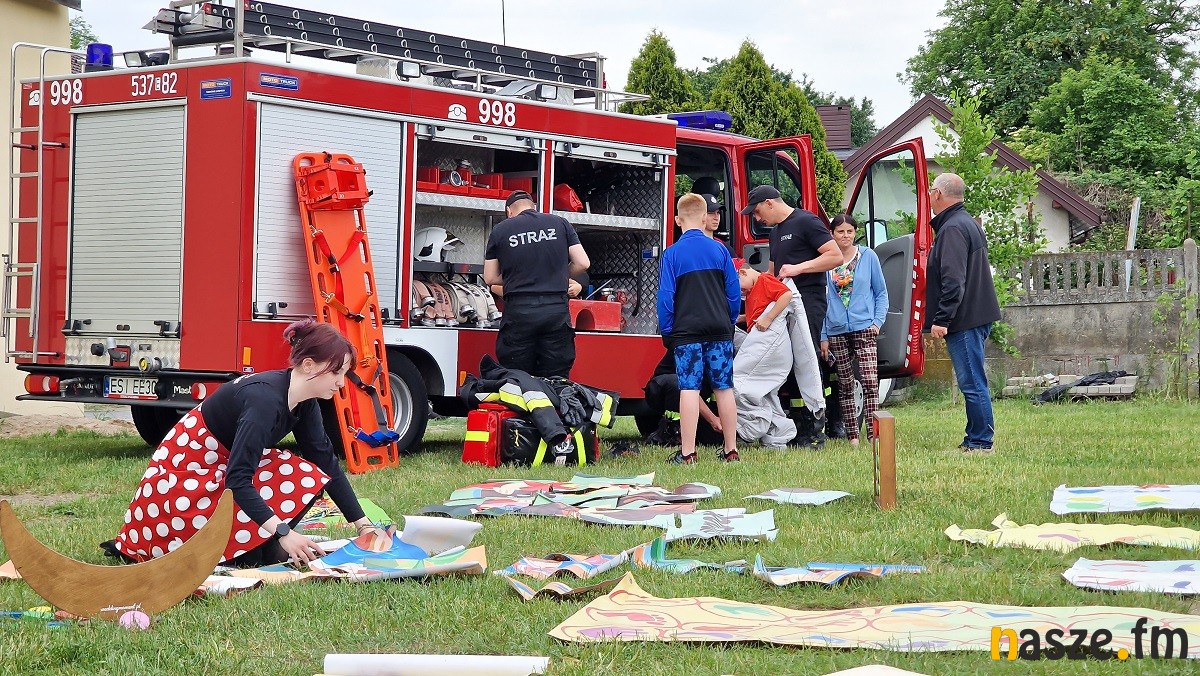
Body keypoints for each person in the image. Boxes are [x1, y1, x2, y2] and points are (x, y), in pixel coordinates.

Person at [109, 320, 387, 567]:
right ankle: (259, 549)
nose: (341, 383)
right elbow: (237, 479)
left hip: (214, 471)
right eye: (336, 372)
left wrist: (362, 525)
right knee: (295, 473)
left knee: (305, 472)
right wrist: (283, 532)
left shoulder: (304, 401)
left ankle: (262, 548)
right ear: (308, 365)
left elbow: (325, 461)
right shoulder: (264, 401)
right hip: (181, 484)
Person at [742, 185, 840, 446]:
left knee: (806, 359)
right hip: (784, 303)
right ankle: (795, 424)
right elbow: (773, 274)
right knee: (787, 360)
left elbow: (835, 256)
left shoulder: (806, 221)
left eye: (758, 212)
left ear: (770, 203)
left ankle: (816, 427)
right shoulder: (775, 233)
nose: (757, 219)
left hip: (808, 299)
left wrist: (799, 268)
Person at [658, 193, 740, 464]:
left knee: (689, 389)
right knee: (724, 388)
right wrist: (729, 321)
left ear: (677, 220)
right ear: (705, 218)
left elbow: (665, 297)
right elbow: (733, 292)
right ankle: (731, 450)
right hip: (719, 328)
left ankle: (688, 453)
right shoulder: (720, 250)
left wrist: (668, 331)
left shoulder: (672, 254)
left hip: (687, 332)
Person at [926, 173, 1002, 453]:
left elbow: (953, 279)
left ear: (938, 194)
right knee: (972, 379)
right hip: (975, 313)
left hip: (965, 318)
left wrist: (942, 318)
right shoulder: (966, 222)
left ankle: (981, 441)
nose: (929, 196)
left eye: (931, 190)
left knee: (971, 382)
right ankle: (974, 437)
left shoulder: (952, 229)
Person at [484, 190, 590, 379]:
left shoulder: (501, 230)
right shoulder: (560, 223)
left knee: (517, 376)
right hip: (555, 310)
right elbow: (583, 263)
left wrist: (519, 277)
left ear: (509, 211)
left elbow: (490, 278)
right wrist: (555, 276)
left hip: (519, 311)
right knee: (556, 376)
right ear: (534, 207)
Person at [819, 214, 888, 446]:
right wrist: (823, 334)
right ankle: (853, 436)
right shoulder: (826, 260)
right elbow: (822, 300)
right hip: (836, 329)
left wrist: (877, 322)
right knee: (845, 384)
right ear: (832, 234)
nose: (845, 236)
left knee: (869, 381)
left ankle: (874, 434)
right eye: (840, 231)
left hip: (865, 326)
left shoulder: (868, 256)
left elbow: (881, 292)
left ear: (855, 233)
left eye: (849, 231)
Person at [733, 258, 797, 450]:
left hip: (768, 344)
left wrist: (768, 318)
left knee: (737, 384)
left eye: (739, 287)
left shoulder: (764, 280)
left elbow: (786, 295)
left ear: (743, 272)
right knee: (766, 393)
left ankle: (753, 426)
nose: (741, 292)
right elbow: (758, 310)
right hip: (767, 347)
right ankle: (778, 436)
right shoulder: (754, 288)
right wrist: (743, 318)